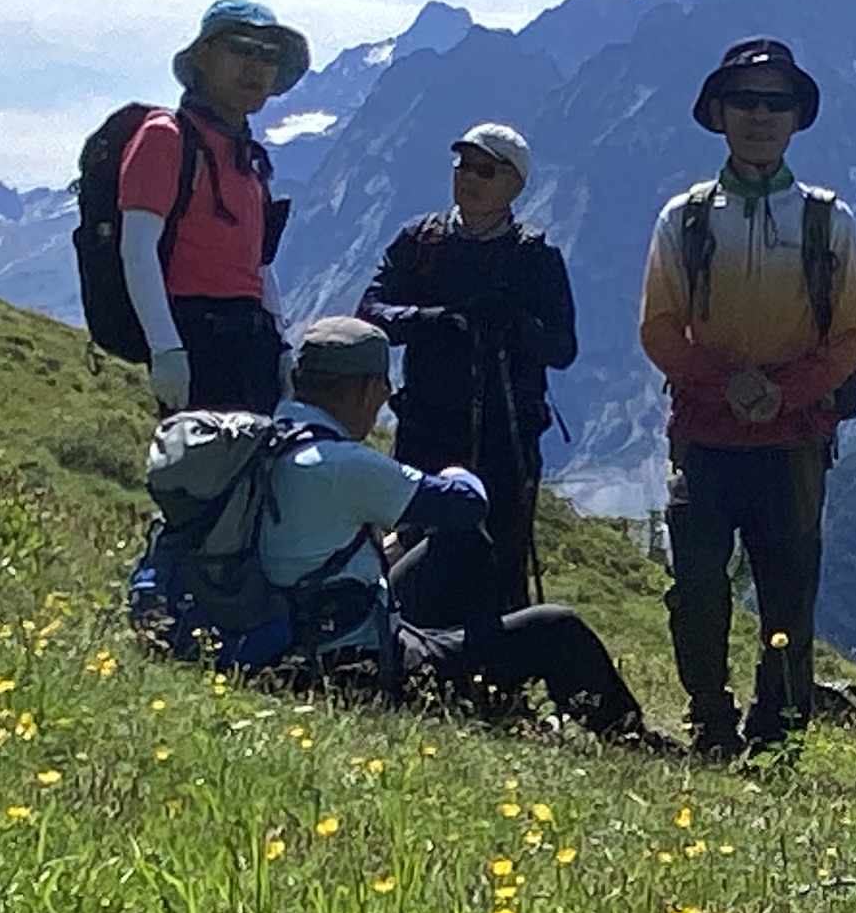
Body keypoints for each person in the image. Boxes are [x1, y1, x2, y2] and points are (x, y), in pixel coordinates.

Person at [259, 317, 656, 741]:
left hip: (286, 633)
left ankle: (487, 686)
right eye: (381, 386)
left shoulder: (265, 440)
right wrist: (457, 472)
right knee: (556, 627)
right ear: (365, 388)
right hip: (357, 662)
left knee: (458, 544)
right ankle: (625, 735)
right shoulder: (342, 465)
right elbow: (466, 504)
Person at [639, 38, 856, 758]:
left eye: (777, 102)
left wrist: (779, 393)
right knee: (697, 587)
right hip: (707, 437)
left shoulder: (828, 221)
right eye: (745, 101)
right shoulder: (684, 219)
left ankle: (777, 729)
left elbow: (853, 337)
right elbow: (658, 327)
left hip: (790, 439)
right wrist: (732, 386)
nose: (761, 115)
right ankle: (711, 717)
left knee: (787, 592)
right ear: (718, 113)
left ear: (798, 116)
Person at [355, 120, 577, 611]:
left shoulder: (535, 257)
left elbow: (562, 347)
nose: (469, 177)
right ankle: (415, 642)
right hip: (426, 430)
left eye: (485, 170)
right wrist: (435, 319)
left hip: (507, 440)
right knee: (414, 548)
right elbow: (369, 314)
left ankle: (495, 653)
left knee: (500, 558)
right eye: (463, 165)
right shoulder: (420, 242)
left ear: (515, 185)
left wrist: (515, 323)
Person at [124, 0, 312, 413]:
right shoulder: (165, 137)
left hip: (253, 345)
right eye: (241, 47)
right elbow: (137, 248)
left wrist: (280, 346)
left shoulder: (250, 157)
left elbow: (260, 266)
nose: (255, 66)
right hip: (196, 340)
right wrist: (166, 349)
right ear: (203, 57)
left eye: (269, 55)